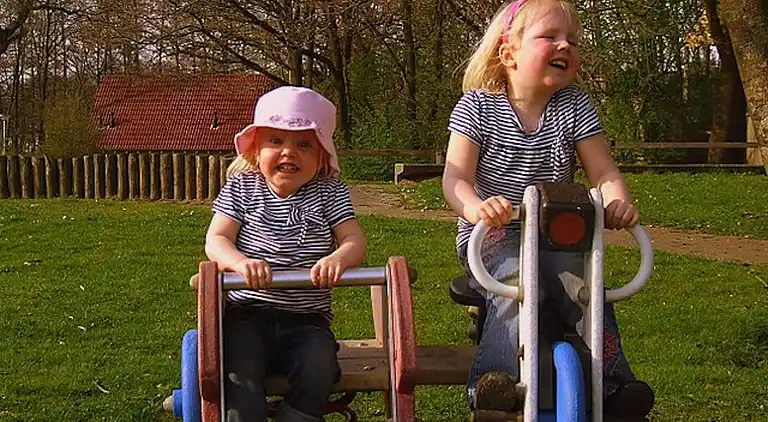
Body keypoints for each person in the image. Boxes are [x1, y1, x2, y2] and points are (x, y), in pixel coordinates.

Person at [442, 0, 654, 419]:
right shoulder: (478, 107)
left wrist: (616, 199)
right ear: (509, 54)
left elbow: (603, 169)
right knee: (516, 281)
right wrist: (477, 207)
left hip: (560, 234)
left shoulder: (574, 106)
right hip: (494, 234)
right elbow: (455, 179)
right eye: (550, 37)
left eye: (572, 40)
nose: (566, 46)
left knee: (589, 292)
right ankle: (495, 385)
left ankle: (613, 387)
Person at [205, 86, 367, 422]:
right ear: (255, 150)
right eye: (276, 141)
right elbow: (216, 239)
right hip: (248, 312)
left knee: (319, 366)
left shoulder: (329, 192)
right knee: (238, 371)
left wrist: (337, 259)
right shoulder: (241, 187)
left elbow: (354, 240)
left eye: (304, 144)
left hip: (307, 320)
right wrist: (240, 263)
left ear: (322, 155)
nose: (288, 152)